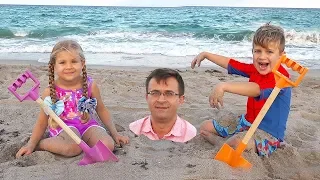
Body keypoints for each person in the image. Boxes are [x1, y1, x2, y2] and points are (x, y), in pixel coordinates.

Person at [191, 23, 291, 156]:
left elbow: (257, 89)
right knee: (205, 126)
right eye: (257, 51)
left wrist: (223, 86)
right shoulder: (256, 69)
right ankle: (224, 143)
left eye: (269, 52)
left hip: (268, 133)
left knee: (236, 143)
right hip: (246, 122)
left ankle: (220, 144)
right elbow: (232, 64)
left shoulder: (282, 78)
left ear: (281, 56)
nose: (262, 56)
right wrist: (206, 55)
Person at [16, 40, 129, 158]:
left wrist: (115, 134)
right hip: (63, 129)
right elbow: (42, 122)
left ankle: (90, 140)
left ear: (82, 63)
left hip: (87, 126)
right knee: (73, 148)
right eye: (62, 62)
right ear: (54, 65)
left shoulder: (91, 85)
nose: (69, 67)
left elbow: (101, 110)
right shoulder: (50, 91)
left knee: (107, 145)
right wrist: (31, 144)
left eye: (74, 61)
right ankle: (41, 144)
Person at [129, 68, 196, 143]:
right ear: (147, 97)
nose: (161, 100)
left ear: (181, 99)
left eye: (169, 94)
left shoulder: (190, 134)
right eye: (155, 93)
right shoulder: (134, 129)